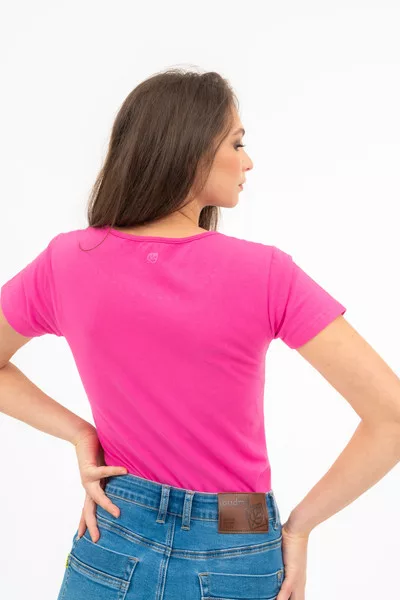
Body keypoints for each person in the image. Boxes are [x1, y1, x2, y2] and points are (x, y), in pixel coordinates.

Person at [1, 68, 400, 600]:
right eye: (237, 143)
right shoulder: (266, 273)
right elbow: (392, 415)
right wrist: (299, 528)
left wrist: (80, 433)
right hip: (241, 527)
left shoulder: (69, 261)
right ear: (190, 151)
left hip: (119, 520)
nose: (248, 161)